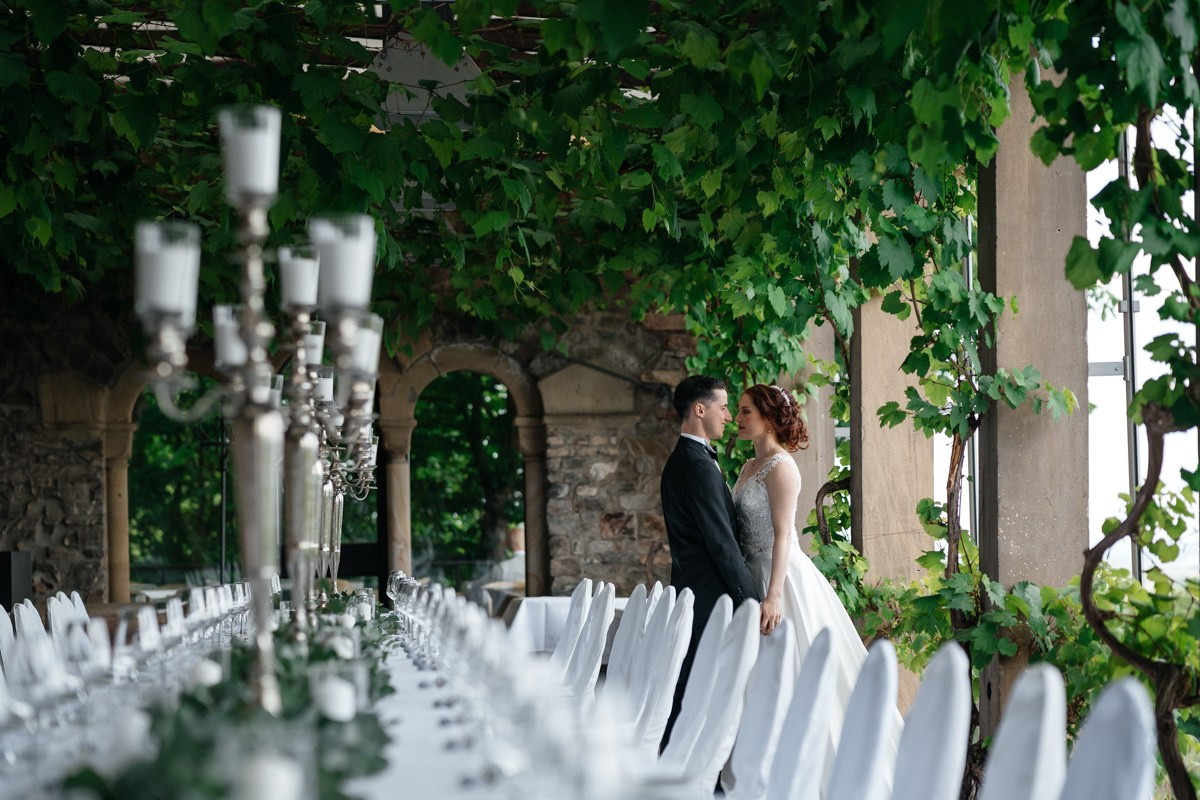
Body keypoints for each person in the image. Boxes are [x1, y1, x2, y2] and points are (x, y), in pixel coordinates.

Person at [731, 383, 901, 773]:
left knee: (793, 671)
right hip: (750, 571)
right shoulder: (748, 466)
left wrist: (774, 595)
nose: (738, 420)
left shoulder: (781, 467)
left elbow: (784, 534)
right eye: (738, 411)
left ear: (770, 418)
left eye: (746, 412)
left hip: (780, 578)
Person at [659, 375, 761, 748]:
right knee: (700, 692)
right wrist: (750, 600)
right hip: (711, 599)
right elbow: (721, 543)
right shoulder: (697, 466)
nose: (729, 416)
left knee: (693, 689)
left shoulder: (685, 460)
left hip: (696, 593)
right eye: (723, 407)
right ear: (699, 410)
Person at [466, 524, 526, 612]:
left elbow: (478, 586)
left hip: (504, 615)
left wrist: (467, 586)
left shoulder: (503, 567)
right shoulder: (535, 567)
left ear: (508, 543)